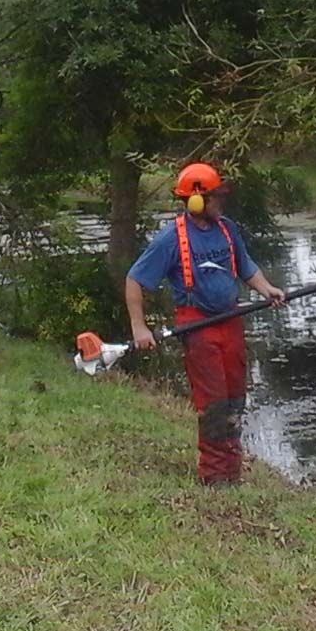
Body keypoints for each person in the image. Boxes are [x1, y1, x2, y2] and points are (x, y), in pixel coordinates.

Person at [125, 162, 286, 484]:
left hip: (231, 320)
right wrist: (139, 328)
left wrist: (266, 288)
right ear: (197, 200)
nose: (221, 201)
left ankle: (232, 470)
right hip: (197, 324)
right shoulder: (171, 238)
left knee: (236, 396)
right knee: (214, 401)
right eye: (215, 197)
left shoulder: (227, 228)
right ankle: (214, 477)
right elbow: (135, 280)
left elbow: (246, 266)